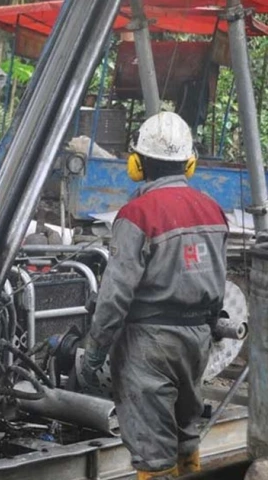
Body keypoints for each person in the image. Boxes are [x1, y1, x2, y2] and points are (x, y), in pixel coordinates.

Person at [79, 112, 228, 480]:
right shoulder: (213, 210)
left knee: (151, 446)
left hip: (148, 344)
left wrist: (94, 354)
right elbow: (219, 279)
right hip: (198, 341)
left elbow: (114, 298)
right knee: (186, 428)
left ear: (137, 164)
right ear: (189, 163)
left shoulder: (136, 215)